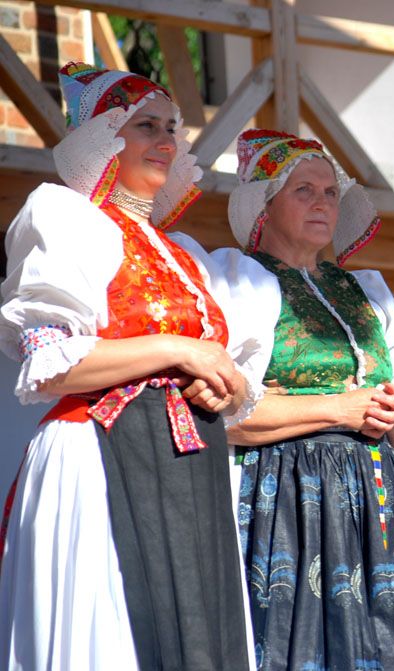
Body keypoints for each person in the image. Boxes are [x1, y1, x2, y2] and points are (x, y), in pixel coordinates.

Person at [0, 62, 270, 669]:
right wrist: (180, 350)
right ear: (103, 139)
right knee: (117, 629)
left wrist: (221, 388)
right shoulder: (68, 219)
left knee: (199, 632)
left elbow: (229, 371)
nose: (167, 141)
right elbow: (49, 366)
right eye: (146, 126)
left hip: (188, 461)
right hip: (99, 450)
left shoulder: (187, 255)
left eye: (172, 128)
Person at [221, 128, 394, 671]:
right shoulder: (240, 279)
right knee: (295, 643)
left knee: (393, 644)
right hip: (286, 490)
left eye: (329, 192)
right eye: (303, 190)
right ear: (264, 205)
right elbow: (227, 418)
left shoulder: (366, 292)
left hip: (376, 492)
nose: (322, 202)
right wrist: (337, 409)